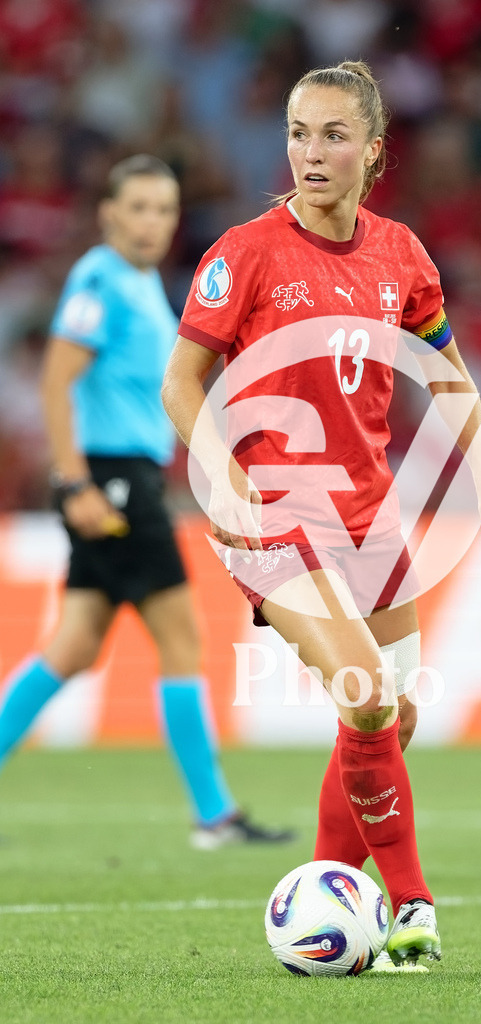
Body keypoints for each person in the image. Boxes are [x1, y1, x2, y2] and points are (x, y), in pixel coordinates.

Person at [161, 63, 481, 969]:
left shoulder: (401, 254)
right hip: (272, 520)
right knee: (367, 698)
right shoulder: (244, 254)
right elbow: (182, 385)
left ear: (373, 151)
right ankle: (412, 906)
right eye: (299, 133)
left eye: (333, 135)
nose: (311, 152)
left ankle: (322, 896)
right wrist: (220, 478)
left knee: (391, 721)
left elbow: (447, 377)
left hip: (371, 521)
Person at [0, 154, 293, 850]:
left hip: (125, 476)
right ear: (108, 213)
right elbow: (56, 381)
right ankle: (214, 814)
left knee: (71, 648)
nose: (151, 222)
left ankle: (214, 813)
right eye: (137, 207)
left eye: (163, 209)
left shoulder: (139, 285)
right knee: (180, 640)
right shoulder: (100, 279)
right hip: (114, 480)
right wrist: (74, 485)